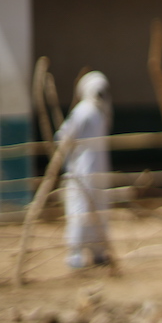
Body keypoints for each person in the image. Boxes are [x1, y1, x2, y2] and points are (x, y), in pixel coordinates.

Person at [56, 71, 113, 269]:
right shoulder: (84, 111)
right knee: (80, 210)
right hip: (81, 171)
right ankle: (76, 255)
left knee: (97, 210)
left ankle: (97, 252)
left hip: (98, 170)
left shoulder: (100, 112)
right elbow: (64, 136)